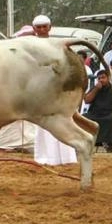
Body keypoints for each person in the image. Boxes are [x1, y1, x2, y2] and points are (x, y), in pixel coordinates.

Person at [30, 15, 77, 165]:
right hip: (39, 90)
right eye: (39, 27)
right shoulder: (30, 46)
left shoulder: (59, 45)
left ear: (50, 27)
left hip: (58, 89)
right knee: (43, 123)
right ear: (34, 29)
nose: (42, 29)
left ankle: (67, 157)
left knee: (62, 121)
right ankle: (46, 158)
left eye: (45, 26)